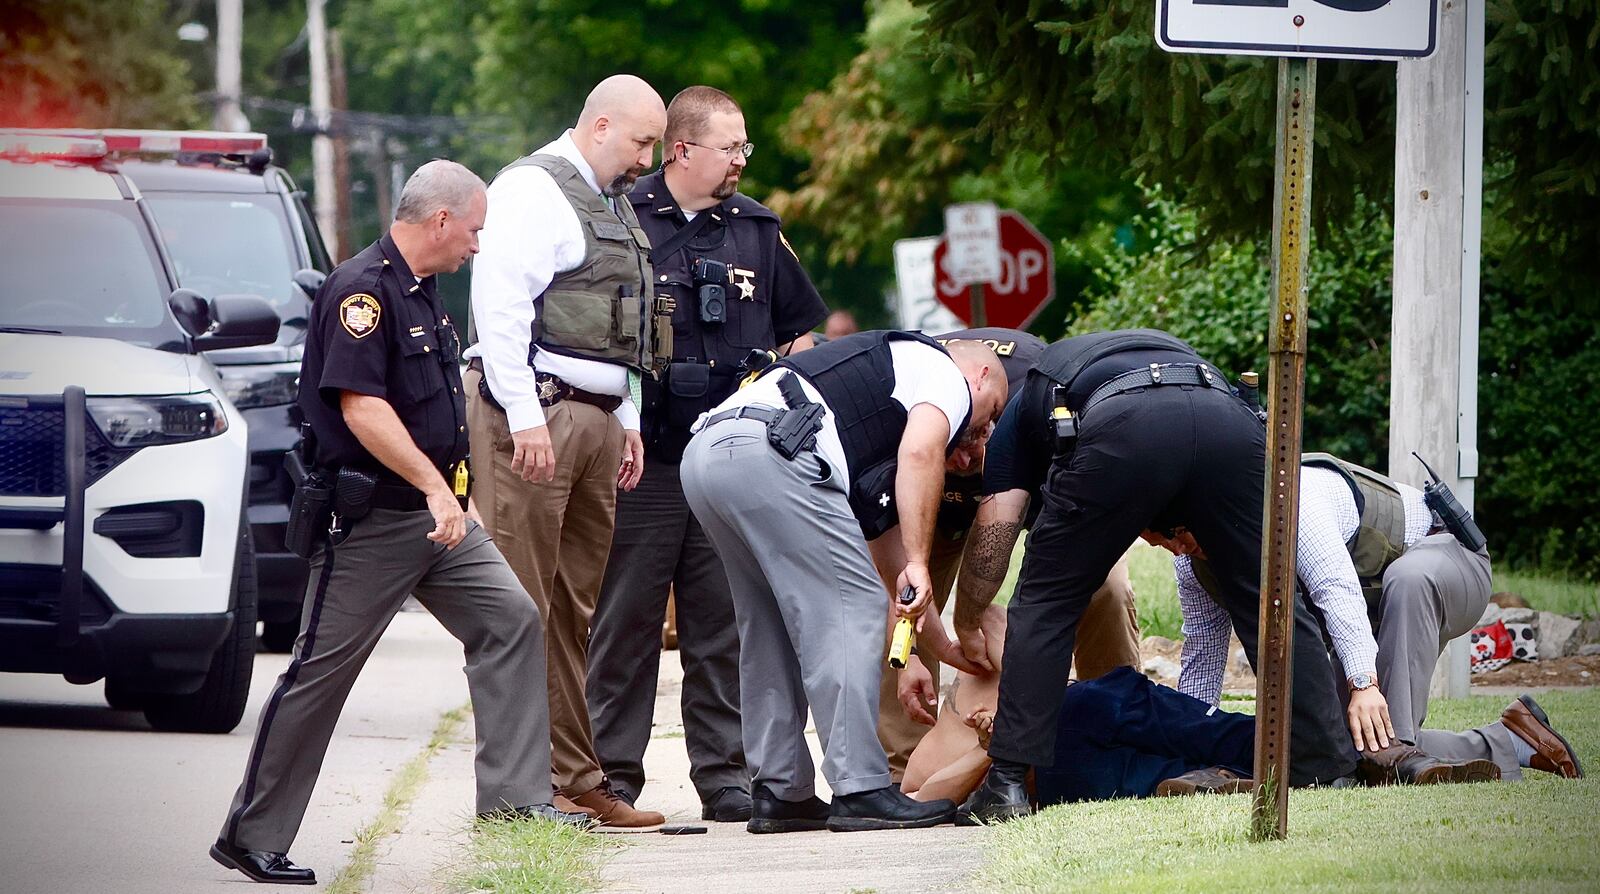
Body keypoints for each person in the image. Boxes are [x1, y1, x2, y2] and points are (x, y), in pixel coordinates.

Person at [211, 161, 589, 886]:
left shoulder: (425, 294)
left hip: (437, 515)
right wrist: (434, 491)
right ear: (441, 220)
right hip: (373, 520)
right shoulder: (362, 291)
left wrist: (459, 496)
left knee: (511, 617)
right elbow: (363, 408)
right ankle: (251, 834)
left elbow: (438, 414)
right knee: (320, 676)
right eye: (474, 230)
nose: (478, 246)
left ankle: (514, 801)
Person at [955, 328, 1359, 824]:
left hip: (1123, 427)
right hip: (1228, 420)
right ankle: (1324, 762)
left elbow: (997, 531)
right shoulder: (1158, 351)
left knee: (1046, 603)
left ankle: (1009, 783)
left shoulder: (1020, 415)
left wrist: (969, 613)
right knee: (1271, 599)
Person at [586, 86, 829, 823]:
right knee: (624, 621)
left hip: (730, 459)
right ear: (682, 150)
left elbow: (801, 334)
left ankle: (724, 774)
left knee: (720, 624)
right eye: (731, 148)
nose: (741, 161)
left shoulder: (757, 230)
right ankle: (612, 774)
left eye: (743, 147)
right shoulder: (622, 217)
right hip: (649, 457)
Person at [680, 331, 1007, 832]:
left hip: (708, 450)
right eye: (992, 414)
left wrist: (936, 644)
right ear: (980, 376)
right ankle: (861, 787)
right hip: (776, 449)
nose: (984, 434)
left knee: (766, 624)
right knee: (853, 608)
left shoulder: (868, 405)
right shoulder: (944, 372)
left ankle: (779, 790)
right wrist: (922, 562)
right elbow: (920, 457)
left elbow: (888, 552)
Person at [463, 74, 668, 831]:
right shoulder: (532, 189)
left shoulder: (609, 199)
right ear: (601, 124)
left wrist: (632, 418)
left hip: (599, 418)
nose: (649, 158)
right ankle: (523, 789)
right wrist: (523, 417)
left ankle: (577, 778)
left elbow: (628, 325)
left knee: (575, 608)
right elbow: (502, 306)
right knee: (521, 606)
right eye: (643, 141)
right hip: (537, 415)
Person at [1156, 454, 1582, 781]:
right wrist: (1195, 738)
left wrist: (1364, 683)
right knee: (1347, 746)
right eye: (1161, 542)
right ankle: (1511, 740)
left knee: (1407, 580)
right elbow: (1203, 652)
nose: (1176, 548)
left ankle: (1399, 759)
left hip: (1447, 562)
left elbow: (1336, 590)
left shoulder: (1293, 504)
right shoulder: (1192, 560)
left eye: (1180, 534)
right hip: (1372, 610)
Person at [863, 328, 1142, 779]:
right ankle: (904, 769)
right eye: (957, 440)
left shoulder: (1044, 393)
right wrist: (910, 649)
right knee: (896, 602)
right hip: (930, 501)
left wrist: (974, 619)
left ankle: (1117, 732)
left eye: (977, 435)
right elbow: (887, 550)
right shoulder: (902, 398)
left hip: (1037, 482)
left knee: (1105, 587)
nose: (967, 455)